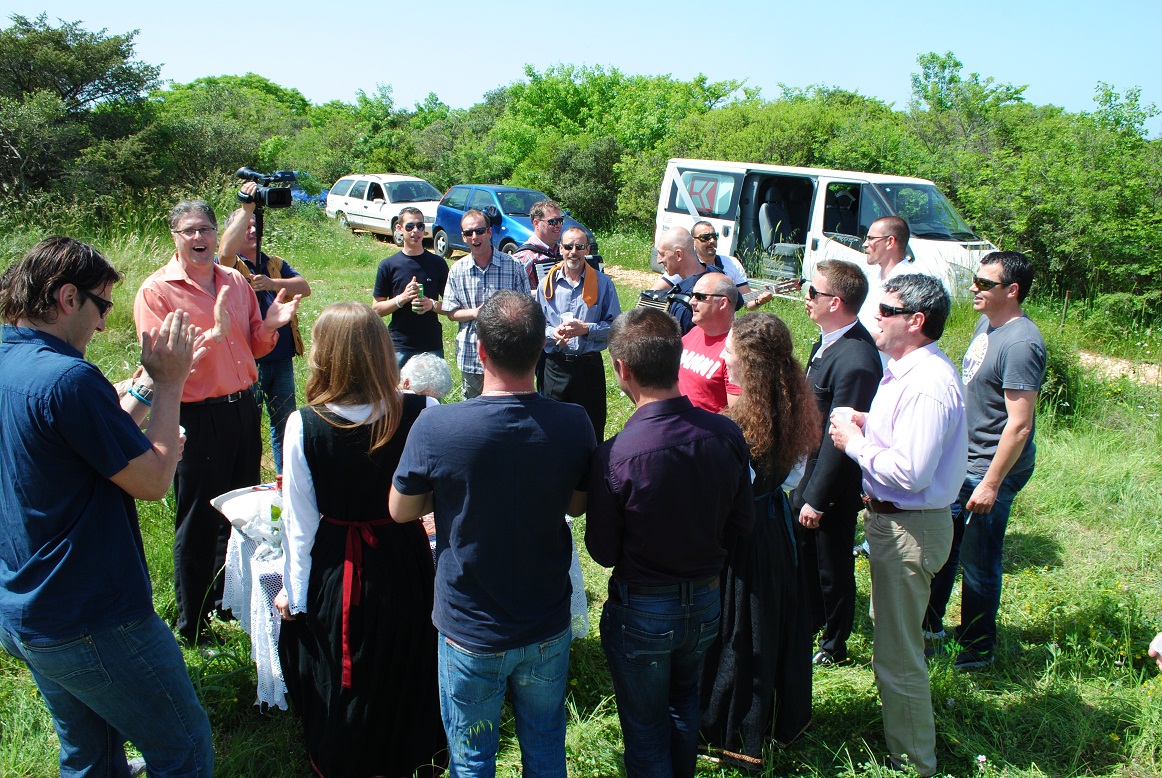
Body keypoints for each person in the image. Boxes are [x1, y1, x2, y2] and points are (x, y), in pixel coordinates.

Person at [0, 236, 213, 777]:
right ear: (68, 297)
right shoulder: (69, 378)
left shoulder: (12, 363)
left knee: (90, 754)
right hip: (93, 614)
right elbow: (153, 480)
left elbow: (77, 445)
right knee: (183, 748)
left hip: (27, 609)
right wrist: (170, 383)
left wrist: (141, 392)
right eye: (102, 306)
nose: (101, 326)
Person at [391, 290, 595, 778]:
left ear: (479, 350)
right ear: (541, 348)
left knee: (471, 758)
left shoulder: (436, 424)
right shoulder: (574, 422)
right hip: (546, 619)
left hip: (470, 625)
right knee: (546, 748)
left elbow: (401, 511)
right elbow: (577, 503)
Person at [273, 302, 446, 777]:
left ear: (324, 356)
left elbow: (299, 523)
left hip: (337, 562)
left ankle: (351, 757)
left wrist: (298, 593)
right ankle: (410, 755)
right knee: (405, 656)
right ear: (380, 352)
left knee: (345, 668)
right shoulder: (421, 409)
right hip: (403, 554)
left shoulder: (303, 424)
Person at [586, 307, 754, 778]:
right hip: (704, 601)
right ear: (679, 359)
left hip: (643, 608)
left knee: (644, 729)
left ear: (622, 368)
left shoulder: (616, 454)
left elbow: (602, 553)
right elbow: (742, 523)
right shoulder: (726, 434)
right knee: (683, 707)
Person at [135, 199, 301, 644]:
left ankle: (230, 602)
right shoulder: (157, 291)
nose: (198, 238)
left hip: (243, 409)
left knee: (242, 515)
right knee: (198, 521)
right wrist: (212, 337)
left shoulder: (235, 280)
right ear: (174, 236)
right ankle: (192, 624)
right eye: (188, 230)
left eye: (205, 229)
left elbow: (254, 347)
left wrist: (269, 326)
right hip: (195, 416)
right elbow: (160, 368)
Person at [831, 273, 968, 777]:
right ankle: (901, 733)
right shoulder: (905, 371)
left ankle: (914, 763)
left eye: (886, 310)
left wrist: (854, 442)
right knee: (892, 640)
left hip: (911, 526)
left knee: (900, 654)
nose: (875, 317)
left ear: (916, 320)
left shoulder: (928, 384)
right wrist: (869, 424)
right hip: (895, 523)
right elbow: (908, 445)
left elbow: (911, 472)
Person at [699, 312, 821, 770]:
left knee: (739, 631)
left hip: (744, 539)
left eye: (728, 351)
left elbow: (728, 496)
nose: (723, 358)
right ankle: (775, 717)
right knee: (773, 623)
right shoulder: (793, 409)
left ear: (746, 362)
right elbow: (791, 480)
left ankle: (728, 729)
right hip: (774, 529)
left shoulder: (735, 427)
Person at [924, 251, 1046, 669]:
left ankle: (977, 647)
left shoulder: (1022, 343)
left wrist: (991, 483)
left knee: (979, 559)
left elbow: (1019, 425)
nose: (973, 288)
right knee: (947, 546)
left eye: (984, 283)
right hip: (966, 459)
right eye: (975, 280)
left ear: (1011, 291)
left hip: (992, 467)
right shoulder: (986, 322)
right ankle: (931, 628)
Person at [792, 260, 882, 666]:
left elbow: (843, 439)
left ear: (836, 302)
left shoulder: (857, 360)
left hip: (832, 482)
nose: (806, 298)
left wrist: (818, 499)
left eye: (814, 292)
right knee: (809, 559)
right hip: (808, 471)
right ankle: (811, 622)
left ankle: (834, 644)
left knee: (832, 565)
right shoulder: (828, 340)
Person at [219, 182, 313, 474]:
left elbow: (304, 287)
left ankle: (285, 478)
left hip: (281, 357)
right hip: (250, 359)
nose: (252, 230)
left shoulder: (273, 262)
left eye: (254, 225)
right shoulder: (229, 265)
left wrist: (272, 283)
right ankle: (249, 476)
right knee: (248, 423)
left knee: (285, 421)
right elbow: (223, 254)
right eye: (245, 226)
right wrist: (245, 209)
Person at [536, 225, 621, 440]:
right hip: (555, 365)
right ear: (560, 249)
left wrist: (587, 329)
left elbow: (616, 328)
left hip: (588, 367)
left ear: (587, 249)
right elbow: (536, 325)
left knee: (591, 430)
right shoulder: (547, 284)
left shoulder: (603, 284)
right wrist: (552, 333)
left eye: (579, 246)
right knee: (552, 430)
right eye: (568, 246)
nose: (573, 252)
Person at [441, 208, 530, 398]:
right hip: (471, 355)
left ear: (489, 232)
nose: (475, 236)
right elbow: (451, 312)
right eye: (468, 233)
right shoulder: (457, 270)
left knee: (507, 408)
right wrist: (475, 313)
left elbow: (527, 308)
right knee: (472, 413)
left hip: (507, 355)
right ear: (463, 237)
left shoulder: (513, 266)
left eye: (479, 231)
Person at [373, 205, 449, 367]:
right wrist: (402, 298)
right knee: (396, 392)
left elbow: (452, 307)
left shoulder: (438, 264)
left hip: (431, 343)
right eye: (410, 226)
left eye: (420, 226)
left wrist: (432, 305)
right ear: (399, 228)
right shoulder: (388, 265)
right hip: (400, 344)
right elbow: (376, 310)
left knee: (433, 393)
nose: (416, 230)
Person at [664, 221, 772, 310]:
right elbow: (656, 292)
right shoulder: (684, 265)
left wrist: (758, 301)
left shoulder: (732, 264)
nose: (712, 241)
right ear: (693, 242)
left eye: (714, 236)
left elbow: (747, 302)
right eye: (705, 238)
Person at [678, 273, 739, 413]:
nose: (692, 302)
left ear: (722, 303)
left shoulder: (735, 349)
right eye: (692, 295)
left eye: (700, 297)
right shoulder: (694, 333)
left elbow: (739, 416)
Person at [651, 226, 728, 335]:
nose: (658, 260)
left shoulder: (685, 306)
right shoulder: (718, 274)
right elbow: (738, 302)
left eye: (662, 254)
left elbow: (680, 349)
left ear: (678, 255)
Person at [857, 216, 913, 347]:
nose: (865, 244)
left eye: (871, 238)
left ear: (890, 242)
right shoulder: (871, 275)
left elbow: (899, 338)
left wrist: (848, 331)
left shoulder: (909, 282)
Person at [513, 198, 564, 287]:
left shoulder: (563, 251)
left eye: (560, 221)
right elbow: (514, 294)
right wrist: (541, 293)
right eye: (553, 222)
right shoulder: (524, 258)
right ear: (536, 223)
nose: (559, 225)